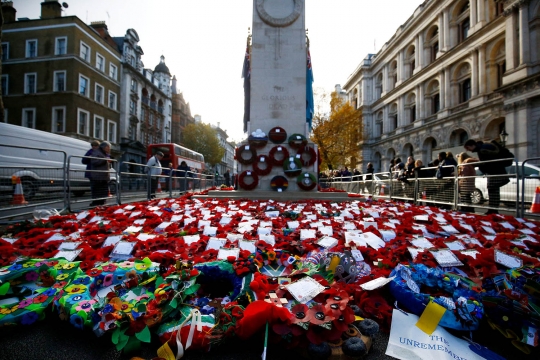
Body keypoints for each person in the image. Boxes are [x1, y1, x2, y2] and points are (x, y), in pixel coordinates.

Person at [464, 139, 510, 214]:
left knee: (492, 190)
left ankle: (493, 210)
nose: (469, 150)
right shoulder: (483, 147)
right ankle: (493, 209)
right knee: (493, 191)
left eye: (468, 148)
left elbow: (486, 163)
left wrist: (476, 164)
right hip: (495, 171)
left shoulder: (482, 149)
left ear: (472, 145)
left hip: (494, 172)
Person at [89, 141, 111, 207]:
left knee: (103, 192)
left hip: (103, 177)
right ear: (105, 147)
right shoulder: (96, 152)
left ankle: (102, 203)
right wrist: (104, 160)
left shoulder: (104, 153)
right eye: (108, 147)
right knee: (97, 191)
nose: (109, 149)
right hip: (98, 176)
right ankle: (96, 204)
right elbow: (94, 161)